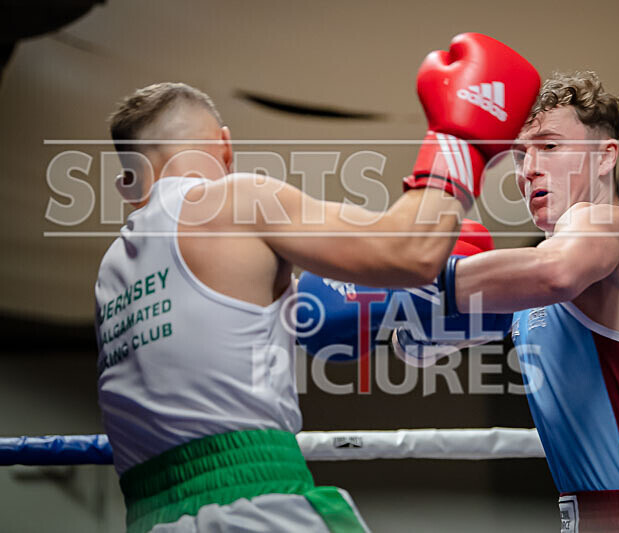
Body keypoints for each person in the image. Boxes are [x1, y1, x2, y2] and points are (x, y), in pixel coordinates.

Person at [93, 33, 540, 532]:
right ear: (224, 146)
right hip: (256, 506)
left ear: (127, 185)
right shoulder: (236, 200)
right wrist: (460, 138)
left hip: (148, 516)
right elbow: (412, 251)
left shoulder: (111, 273)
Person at [393, 71, 619, 532]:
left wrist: (420, 269)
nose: (527, 167)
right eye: (520, 153)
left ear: (604, 157)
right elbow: (414, 346)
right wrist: (396, 307)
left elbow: (557, 273)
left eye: (549, 147)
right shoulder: (534, 284)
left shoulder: (612, 226)